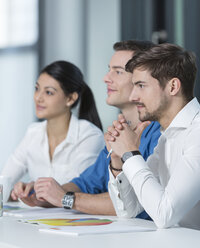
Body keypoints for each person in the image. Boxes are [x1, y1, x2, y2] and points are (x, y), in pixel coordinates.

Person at [106, 43, 200, 239]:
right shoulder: (168, 137)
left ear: (172, 87)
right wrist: (119, 162)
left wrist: (131, 153)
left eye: (141, 86)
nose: (132, 96)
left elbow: (164, 214)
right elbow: (128, 210)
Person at [18, 41, 161, 218]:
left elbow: (132, 203)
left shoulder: (160, 134)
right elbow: (86, 184)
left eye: (117, 72)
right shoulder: (119, 131)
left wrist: (65, 198)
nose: (106, 78)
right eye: (109, 70)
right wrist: (46, 194)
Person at [0, 61, 105, 200]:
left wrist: (33, 192)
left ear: (70, 98)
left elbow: (79, 189)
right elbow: (6, 179)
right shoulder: (33, 132)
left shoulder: (89, 136)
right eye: (37, 89)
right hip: (38, 219)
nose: (38, 98)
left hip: (76, 220)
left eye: (49, 92)